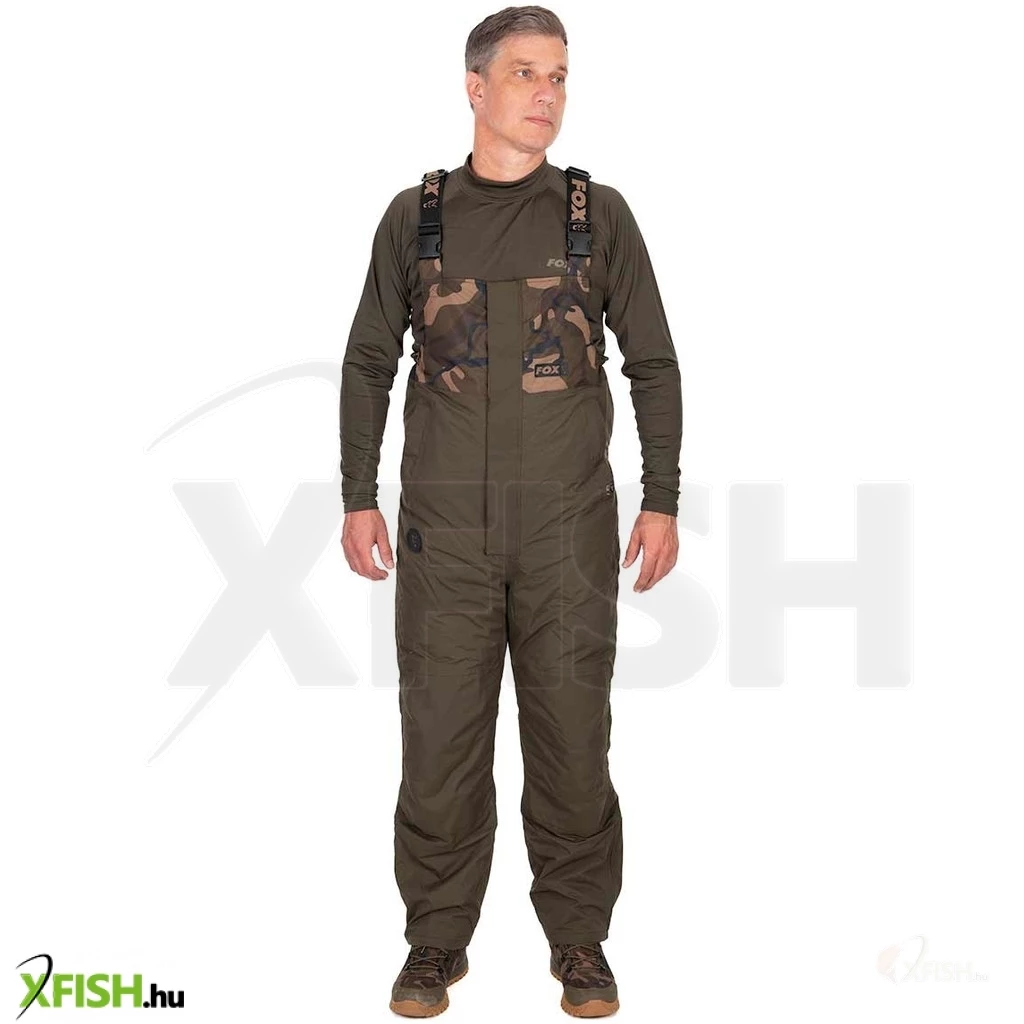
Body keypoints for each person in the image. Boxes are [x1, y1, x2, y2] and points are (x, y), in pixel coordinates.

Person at [339, 6, 681, 1017]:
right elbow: (367, 361)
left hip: (567, 531)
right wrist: (357, 493)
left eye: (560, 75)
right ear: (475, 86)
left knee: (572, 740)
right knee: (439, 742)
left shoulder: (596, 214)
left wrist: (662, 497)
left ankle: (579, 939)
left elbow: (653, 362)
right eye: (527, 73)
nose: (547, 94)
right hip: (442, 535)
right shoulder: (415, 217)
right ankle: (435, 939)